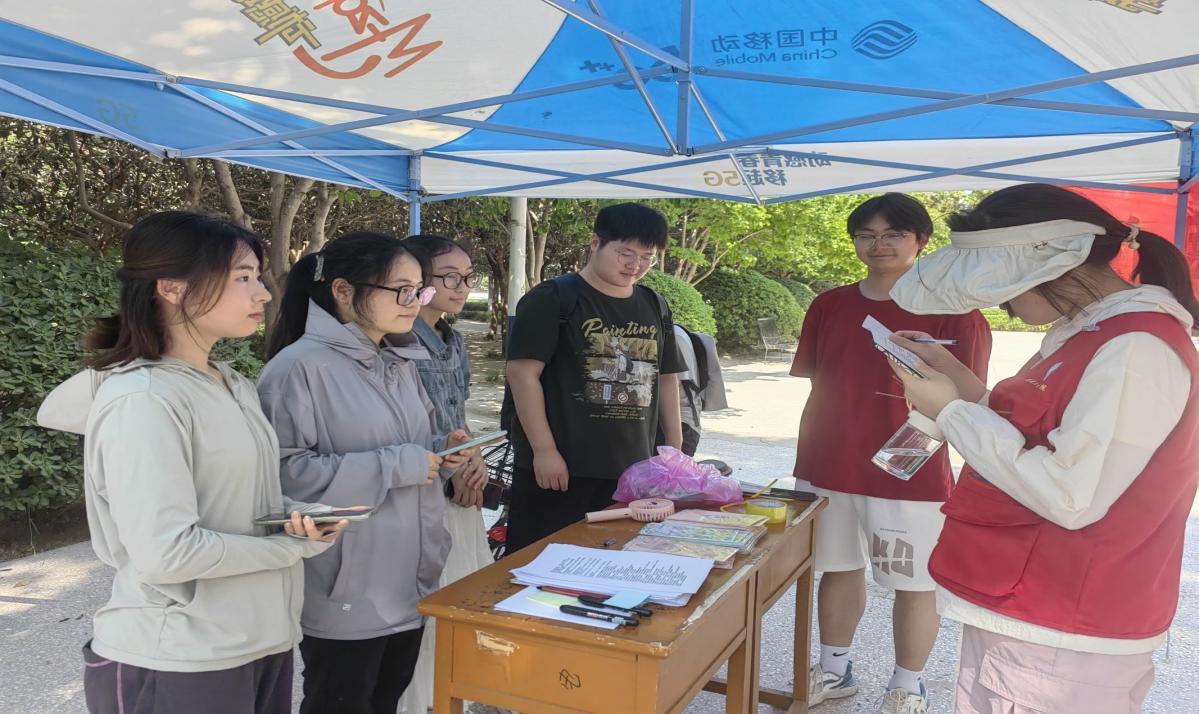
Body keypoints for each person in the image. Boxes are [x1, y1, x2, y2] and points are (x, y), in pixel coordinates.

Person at [887, 184, 1199, 714]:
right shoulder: (1095, 331)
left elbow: (1071, 495)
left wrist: (953, 412)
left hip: (1063, 622)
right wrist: (959, 382)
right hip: (1034, 611)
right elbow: (1036, 432)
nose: (1001, 303)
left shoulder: (1135, 346)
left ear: (1054, 266)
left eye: (1004, 286)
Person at [35, 211, 347, 714]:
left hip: (259, 642)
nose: (263, 294)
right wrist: (289, 547)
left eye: (258, 277)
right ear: (172, 288)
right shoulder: (144, 398)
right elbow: (167, 553)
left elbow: (238, 501)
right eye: (242, 278)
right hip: (178, 657)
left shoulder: (232, 382)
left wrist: (298, 516)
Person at [256, 232, 476, 714]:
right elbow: (281, 476)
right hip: (346, 588)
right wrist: (400, 464)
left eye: (419, 290)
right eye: (401, 290)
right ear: (342, 290)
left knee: (385, 700)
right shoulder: (297, 369)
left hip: (408, 579)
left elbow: (411, 449)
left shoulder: (399, 360)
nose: (414, 302)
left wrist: (441, 453)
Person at [792, 193, 992, 713]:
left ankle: (907, 684)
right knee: (837, 567)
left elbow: (969, 395)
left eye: (893, 234)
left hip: (910, 467)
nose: (878, 244)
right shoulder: (830, 304)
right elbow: (820, 378)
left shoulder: (956, 313)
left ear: (921, 240)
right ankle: (834, 669)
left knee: (914, 580)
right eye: (867, 235)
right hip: (828, 460)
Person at [504, 202, 686, 552]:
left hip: (633, 471)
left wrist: (674, 452)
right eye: (625, 253)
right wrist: (544, 450)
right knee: (540, 560)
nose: (635, 265)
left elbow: (666, 378)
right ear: (595, 243)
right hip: (561, 469)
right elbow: (522, 373)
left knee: (615, 561)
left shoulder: (655, 304)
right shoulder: (553, 298)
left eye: (647, 257)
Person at [398, 234, 494, 714]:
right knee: (431, 607)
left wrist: (474, 459)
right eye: (450, 277)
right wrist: (453, 467)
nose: (462, 287)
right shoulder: (399, 340)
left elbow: (457, 415)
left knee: (463, 595)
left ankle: (449, 696)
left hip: (458, 480)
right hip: (420, 487)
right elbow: (406, 425)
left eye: (467, 277)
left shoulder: (453, 339)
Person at [655, 323, 728, 456]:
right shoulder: (674, 332)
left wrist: (673, 447)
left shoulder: (672, 337)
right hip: (683, 423)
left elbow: (672, 383)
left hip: (680, 425)